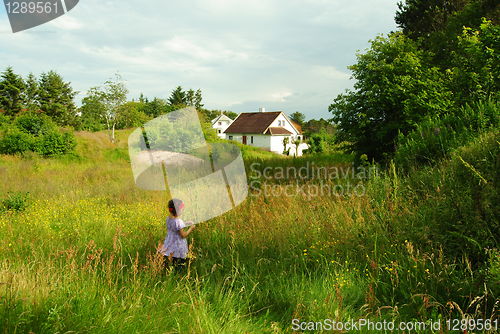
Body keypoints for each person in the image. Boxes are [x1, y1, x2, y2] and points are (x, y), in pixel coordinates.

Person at [160, 198, 195, 272]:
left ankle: (168, 273)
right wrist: (191, 228)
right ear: (178, 210)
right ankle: (178, 276)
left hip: (169, 245)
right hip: (178, 247)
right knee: (179, 265)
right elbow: (183, 235)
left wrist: (186, 223)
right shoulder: (179, 221)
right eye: (182, 209)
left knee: (170, 264)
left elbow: (175, 226)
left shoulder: (168, 219)